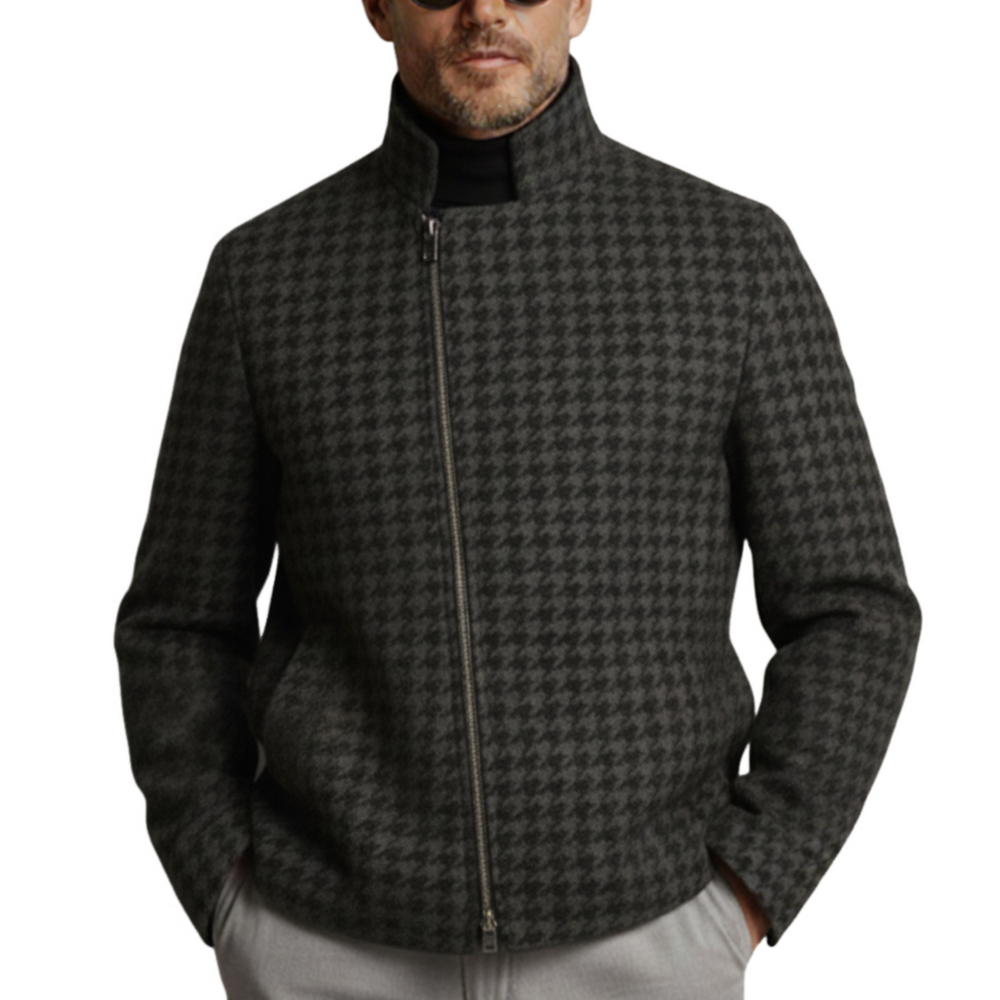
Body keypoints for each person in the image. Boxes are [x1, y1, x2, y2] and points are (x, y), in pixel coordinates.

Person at [114, 1, 921, 997]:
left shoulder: (727, 259)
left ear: (581, 3)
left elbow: (852, 605)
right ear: (376, 6)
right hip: (323, 942)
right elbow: (179, 619)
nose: (485, 7)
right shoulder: (268, 276)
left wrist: (745, 889)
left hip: (647, 940)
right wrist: (225, 886)